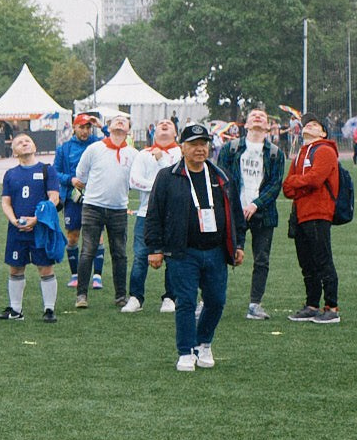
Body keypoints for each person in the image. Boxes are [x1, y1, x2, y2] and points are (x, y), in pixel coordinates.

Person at [144, 122, 242, 370]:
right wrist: (155, 249)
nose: (200, 149)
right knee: (186, 301)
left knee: (216, 301)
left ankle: (204, 343)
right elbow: (154, 214)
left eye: (204, 144)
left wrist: (238, 244)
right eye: (194, 145)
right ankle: (185, 351)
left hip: (216, 250)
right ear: (182, 147)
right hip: (182, 251)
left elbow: (235, 213)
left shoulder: (221, 176)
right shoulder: (167, 176)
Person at [214, 109, 287, 321]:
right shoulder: (231, 148)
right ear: (245, 124)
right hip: (234, 211)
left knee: (261, 259)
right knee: (221, 256)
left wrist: (255, 204)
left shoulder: (275, 153)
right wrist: (235, 205)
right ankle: (208, 300)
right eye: (253, 115)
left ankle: (255, 304)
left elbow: (275, 185)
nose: (257, 117)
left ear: (268, 126)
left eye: (262, 116)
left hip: (263, 214)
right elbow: (222, 179)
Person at [0, 131, 64, 322]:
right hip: (17, 230)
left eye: (28, 141)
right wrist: (14, 220)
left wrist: (37, 219)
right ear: (14, 151)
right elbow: (6, 202)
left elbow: (54, 198)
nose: (24, 143)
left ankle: (49, 309)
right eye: (19, 142)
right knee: (16, 268)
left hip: (40, 229)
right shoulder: (10, 174)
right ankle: (16, 310)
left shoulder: (47, 170)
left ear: (34, 147)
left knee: (45, 267)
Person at [70, 114, 135, 310]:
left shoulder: (133, 154)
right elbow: (80, 175)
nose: (120, 121)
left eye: (124, 121)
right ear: (108, 126)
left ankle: (121, 295)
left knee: (120, 253)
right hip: (92, 206)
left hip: (119, 208)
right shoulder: (94, 148)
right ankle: (81, 294)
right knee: (87, 251)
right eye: (116, 119)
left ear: (128, 130)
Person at [282, 116, 341, 324]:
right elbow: (287, 188)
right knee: (307, 263)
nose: (309, 125)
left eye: (315, 124)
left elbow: (316, 179)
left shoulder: (325, 150)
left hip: (318, 212)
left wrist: (298, 183)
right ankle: (312, 305)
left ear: (323, 133)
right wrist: (299, 184)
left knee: (323, 260)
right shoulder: (300, 153)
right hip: (300, 214)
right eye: (307, 123)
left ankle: (332, 307)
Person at [126, 120, 180, 312]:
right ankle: (135, 297)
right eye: (160, 123)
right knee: (141, 255)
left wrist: (161, 160)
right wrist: (159, 188)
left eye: (169, 123)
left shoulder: (180, 153)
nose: (164, 124)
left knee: (173, 257)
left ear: (176, 132)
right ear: (153, 131)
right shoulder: (143, 154)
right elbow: (134, 181)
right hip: (145, 213)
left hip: (173, 215)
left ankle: (170, 297)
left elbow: (178, 179)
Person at [52, 112, 99, 299]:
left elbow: (114, 141)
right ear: (74, 127)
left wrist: (101, 125)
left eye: (88, 127)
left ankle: (97, 275)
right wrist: (70, 180)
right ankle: (75, 274)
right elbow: (55, 172)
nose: (85, 131)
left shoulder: (97, 144)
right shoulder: (64, 149)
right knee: (73, 236)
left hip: (95, 197)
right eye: (82, 127)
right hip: (73, 198)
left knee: (97, 236)